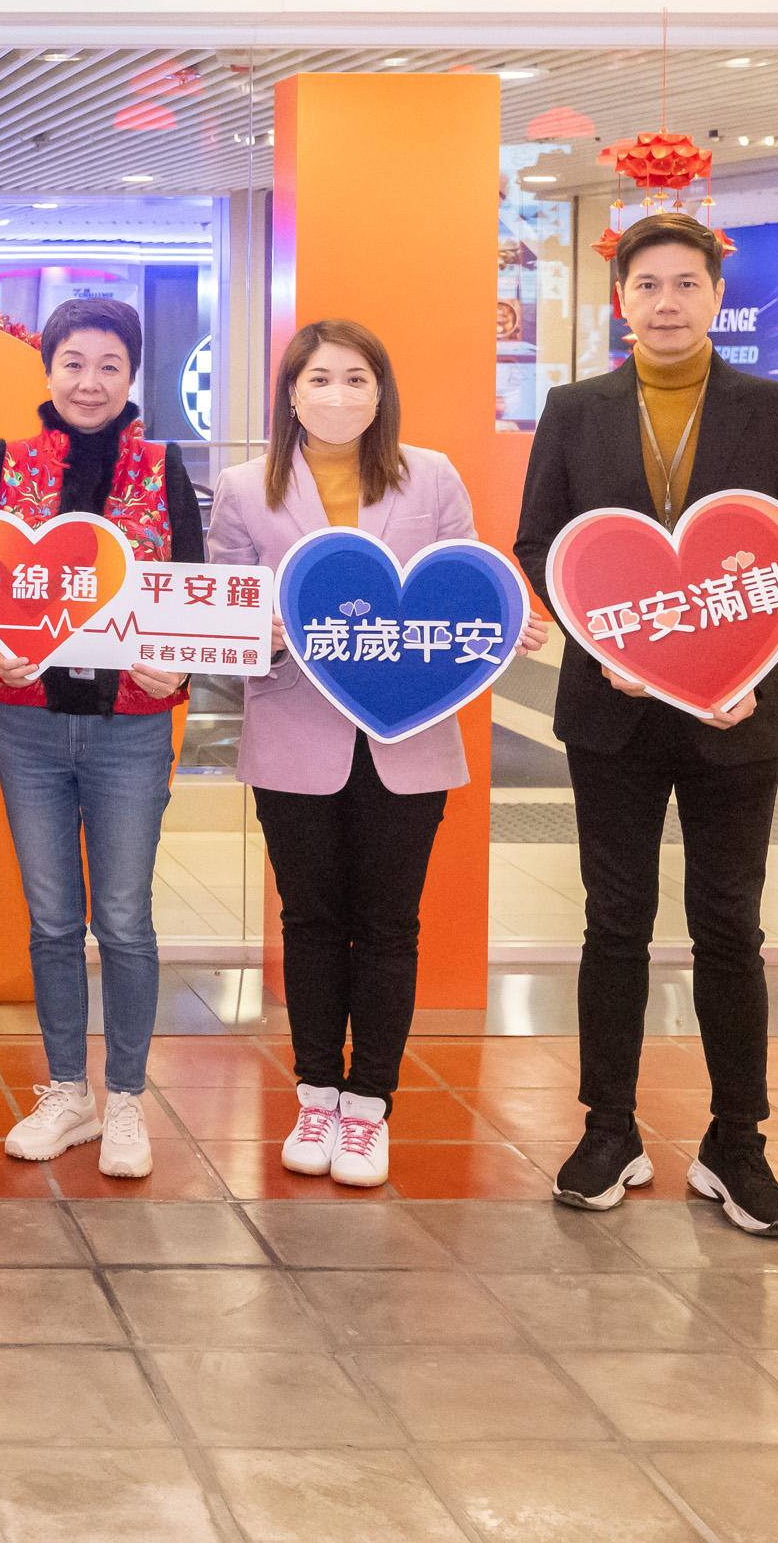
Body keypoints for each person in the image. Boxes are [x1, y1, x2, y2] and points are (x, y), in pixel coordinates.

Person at [515, 211, 778, 1238]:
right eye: (647, 284)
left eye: (685, 284)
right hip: (610, 708)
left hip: (735, 714)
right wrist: (603, 642)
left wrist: (754, 663)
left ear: (714, 296)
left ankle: (734, 1141)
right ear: (621, 298)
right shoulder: (573, 410)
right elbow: (541, 545)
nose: (666, 302)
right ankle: (608, 1128)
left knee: (729, 926)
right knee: (614, 919)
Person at [210, 319, 552, 1189]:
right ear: (290, 393)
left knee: (391, 927)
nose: (337, 395)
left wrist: (504, 629)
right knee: (311, 922)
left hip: (410, 742)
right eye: (319, 378)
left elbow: (462, 587)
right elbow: (227, 616)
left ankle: (370, 1106)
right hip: (294, 737)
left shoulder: (430, 476)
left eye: (356, 378)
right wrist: (273, 635)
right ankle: (316, 1090)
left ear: (380, 391)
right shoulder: (245, 487)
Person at [0, 296, 199, 1181]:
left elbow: (189, 584)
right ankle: (66, 1089)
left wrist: (176, 670)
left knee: (124, 918)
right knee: (50, 918)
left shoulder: (162, 465)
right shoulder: (8, 463)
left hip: (131, 728)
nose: (90, 381)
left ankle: (126, 1100)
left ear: (132, 375)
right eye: (74, 362)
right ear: (48, 369)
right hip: (27, 721)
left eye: (110, 364)